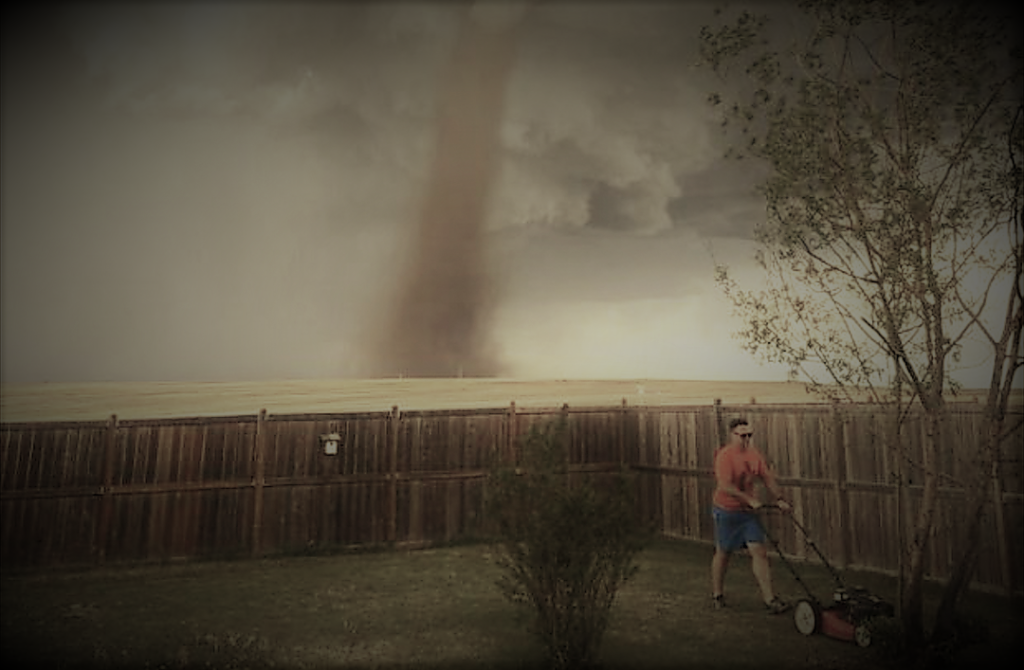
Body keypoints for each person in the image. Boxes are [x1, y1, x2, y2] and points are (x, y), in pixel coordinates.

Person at [710, 417, 791, 613]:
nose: (747, 439)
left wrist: (780, 498)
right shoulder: (725, 456)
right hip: (727, 511)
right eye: (743, 435)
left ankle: (770, 600)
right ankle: (718, 594)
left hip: (748, 514)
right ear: (732, 435)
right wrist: (749, 499)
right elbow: (725, 486)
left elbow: (767, 477)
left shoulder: (754, 454)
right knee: (724, 552)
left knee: (759, 552)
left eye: (749, 435)